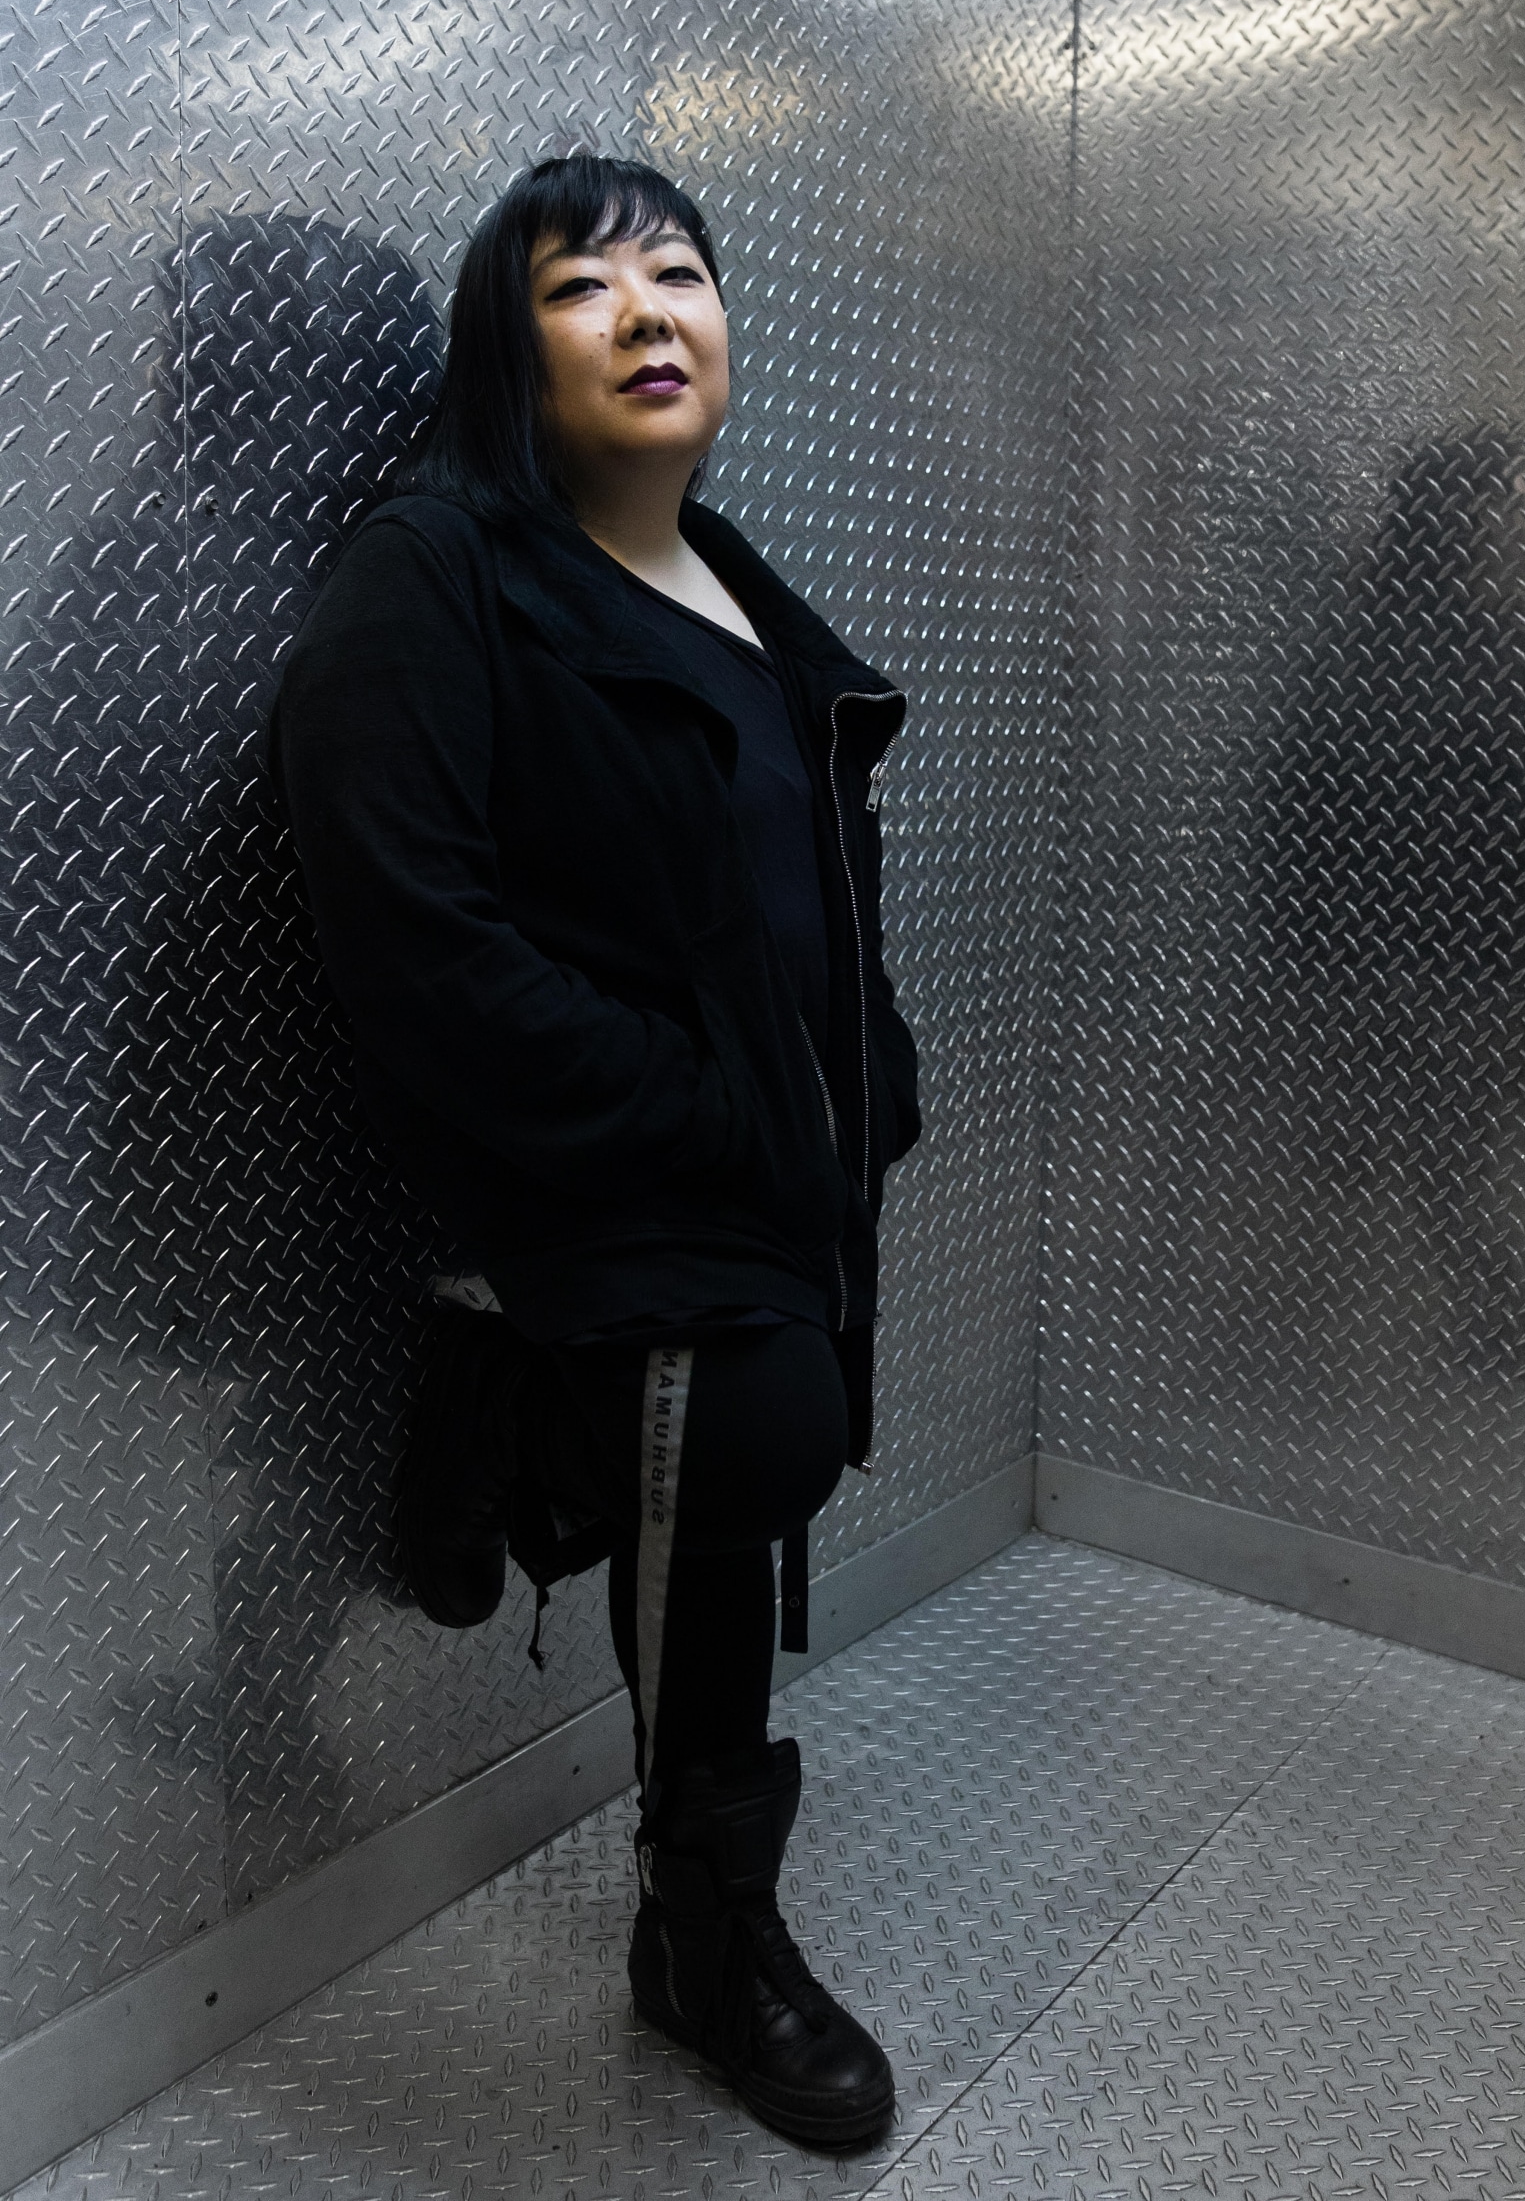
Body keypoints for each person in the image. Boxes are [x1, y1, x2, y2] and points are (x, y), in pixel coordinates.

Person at [270, 154, 919, 2149]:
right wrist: (711, 1112)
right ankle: (715, 1927)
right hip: (604, 1176)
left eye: (679, 272)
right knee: (738, 1440)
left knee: (751, 1460)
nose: (645, 311)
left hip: (761, 1171)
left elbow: (797, 887)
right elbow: (417, 945)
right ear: (508, 345)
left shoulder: (730, 578)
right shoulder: (437, 569)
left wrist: (867, 1069)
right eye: (580, 284)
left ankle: (691, 1931)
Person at [1250, 430, 1525, 1384]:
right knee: (1387, 1153)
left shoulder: (1461, 639)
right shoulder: (1437, 649)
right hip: (1418, 966)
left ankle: (1300, 1334)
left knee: (1414, 1152)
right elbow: (1333, 810)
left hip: (1436, 963)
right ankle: (1287, 1339)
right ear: (1472, 519)